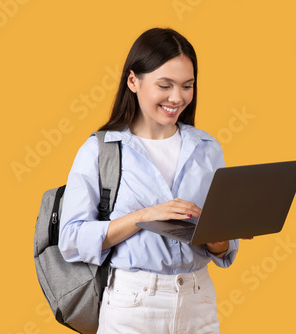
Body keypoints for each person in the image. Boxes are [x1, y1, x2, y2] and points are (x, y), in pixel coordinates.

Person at [58, 27, 239, 333]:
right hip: (133, 305)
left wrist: (220, 243)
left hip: (199, 303)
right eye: (165, 85)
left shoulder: (207, 148)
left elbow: (221, 246)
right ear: (133, 81)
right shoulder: (101, 151)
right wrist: (145, 216)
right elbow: (71, 240)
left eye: (187, 86)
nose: (177, 98)